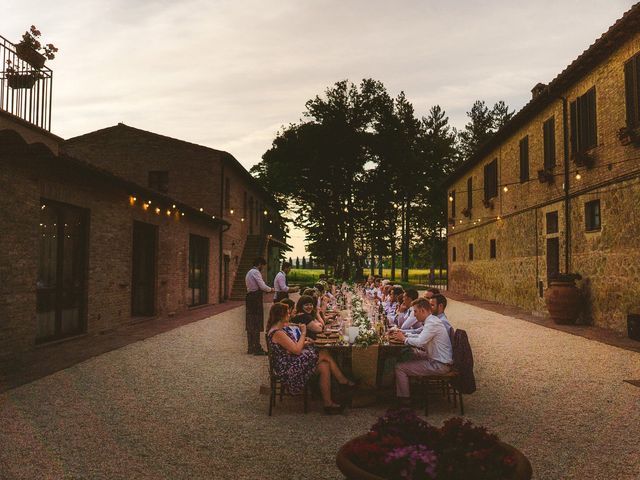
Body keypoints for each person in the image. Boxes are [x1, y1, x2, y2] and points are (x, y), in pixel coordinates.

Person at [266, 303, 354, 414]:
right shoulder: (278, 333)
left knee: (324, 366)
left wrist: (305, 342)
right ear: (281, 315)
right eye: (287, 313)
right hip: (287, 369)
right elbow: (297, 350)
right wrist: (303, 333)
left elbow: (290, 347)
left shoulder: (280, 329)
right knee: (324, 352)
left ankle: (328, 404)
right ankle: (342, 381)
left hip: (291, 361)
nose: (289, 314)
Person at [390, 298, 453, 405]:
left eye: (415, 311)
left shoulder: (432, 323)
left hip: (440, 364)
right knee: (408, 354)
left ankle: (405, 400)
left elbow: (420, 342)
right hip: (436, 359)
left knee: (399, 367)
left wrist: (403, 339)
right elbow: (420, 335)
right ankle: (412, 388)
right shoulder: (432, 320)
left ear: (423, 310)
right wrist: (404, 334)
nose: (414, 315)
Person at [245, 257, 274, 355]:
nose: (263, 268)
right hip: (255, 298)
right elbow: (262, 286)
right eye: (262, 265)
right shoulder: (256, 272)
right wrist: (271, 289)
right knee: (256, 322)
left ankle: (250, 347)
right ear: (259, 264)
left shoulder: (249, 272)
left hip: (249, 297)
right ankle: (257, 348)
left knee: (250, 323)